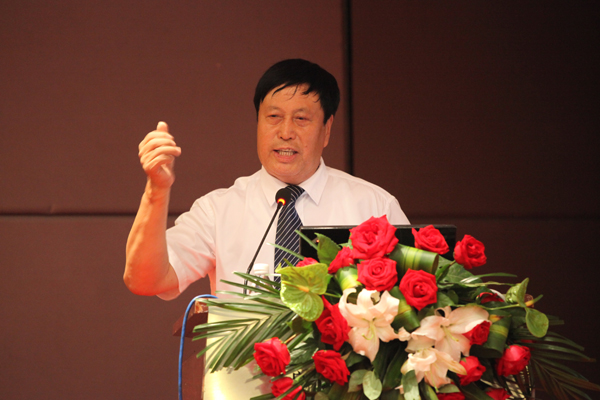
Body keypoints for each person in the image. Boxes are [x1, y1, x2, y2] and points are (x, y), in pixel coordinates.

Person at [124, 59, 409, 300]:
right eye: (273, 116)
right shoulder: (218, 211)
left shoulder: (373, 206)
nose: (285, 132)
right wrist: (156, 191)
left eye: (301, 119)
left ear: (327, 129)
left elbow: (415, 309)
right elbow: (146, 280)